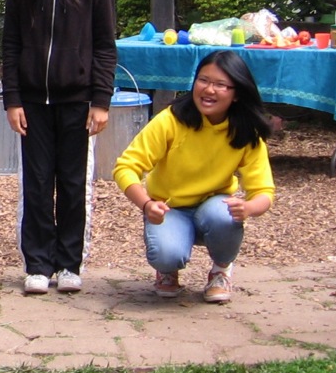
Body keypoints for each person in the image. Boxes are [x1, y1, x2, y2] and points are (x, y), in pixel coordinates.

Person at [2, 0, 117, 295]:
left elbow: (105, 45)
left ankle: (69, 263)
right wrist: (12, 99)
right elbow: (11, 44)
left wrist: (101, 100)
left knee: (72, 182)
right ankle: (37, 263)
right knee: (36, 181)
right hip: (33, 101)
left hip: (78, 101)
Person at [114, 50, 274, 303]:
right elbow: (126, 166)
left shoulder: (246, 131)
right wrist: (146, 204)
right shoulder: (171, 120)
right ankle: (167, 270)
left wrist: (248, 208)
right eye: (204, 80)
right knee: (166, 254)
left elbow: (264, 191)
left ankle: (221, 270)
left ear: (236, 94)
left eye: (220, 85)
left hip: (212, 207)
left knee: (224, 214)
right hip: (170, 208)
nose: (209, 90)